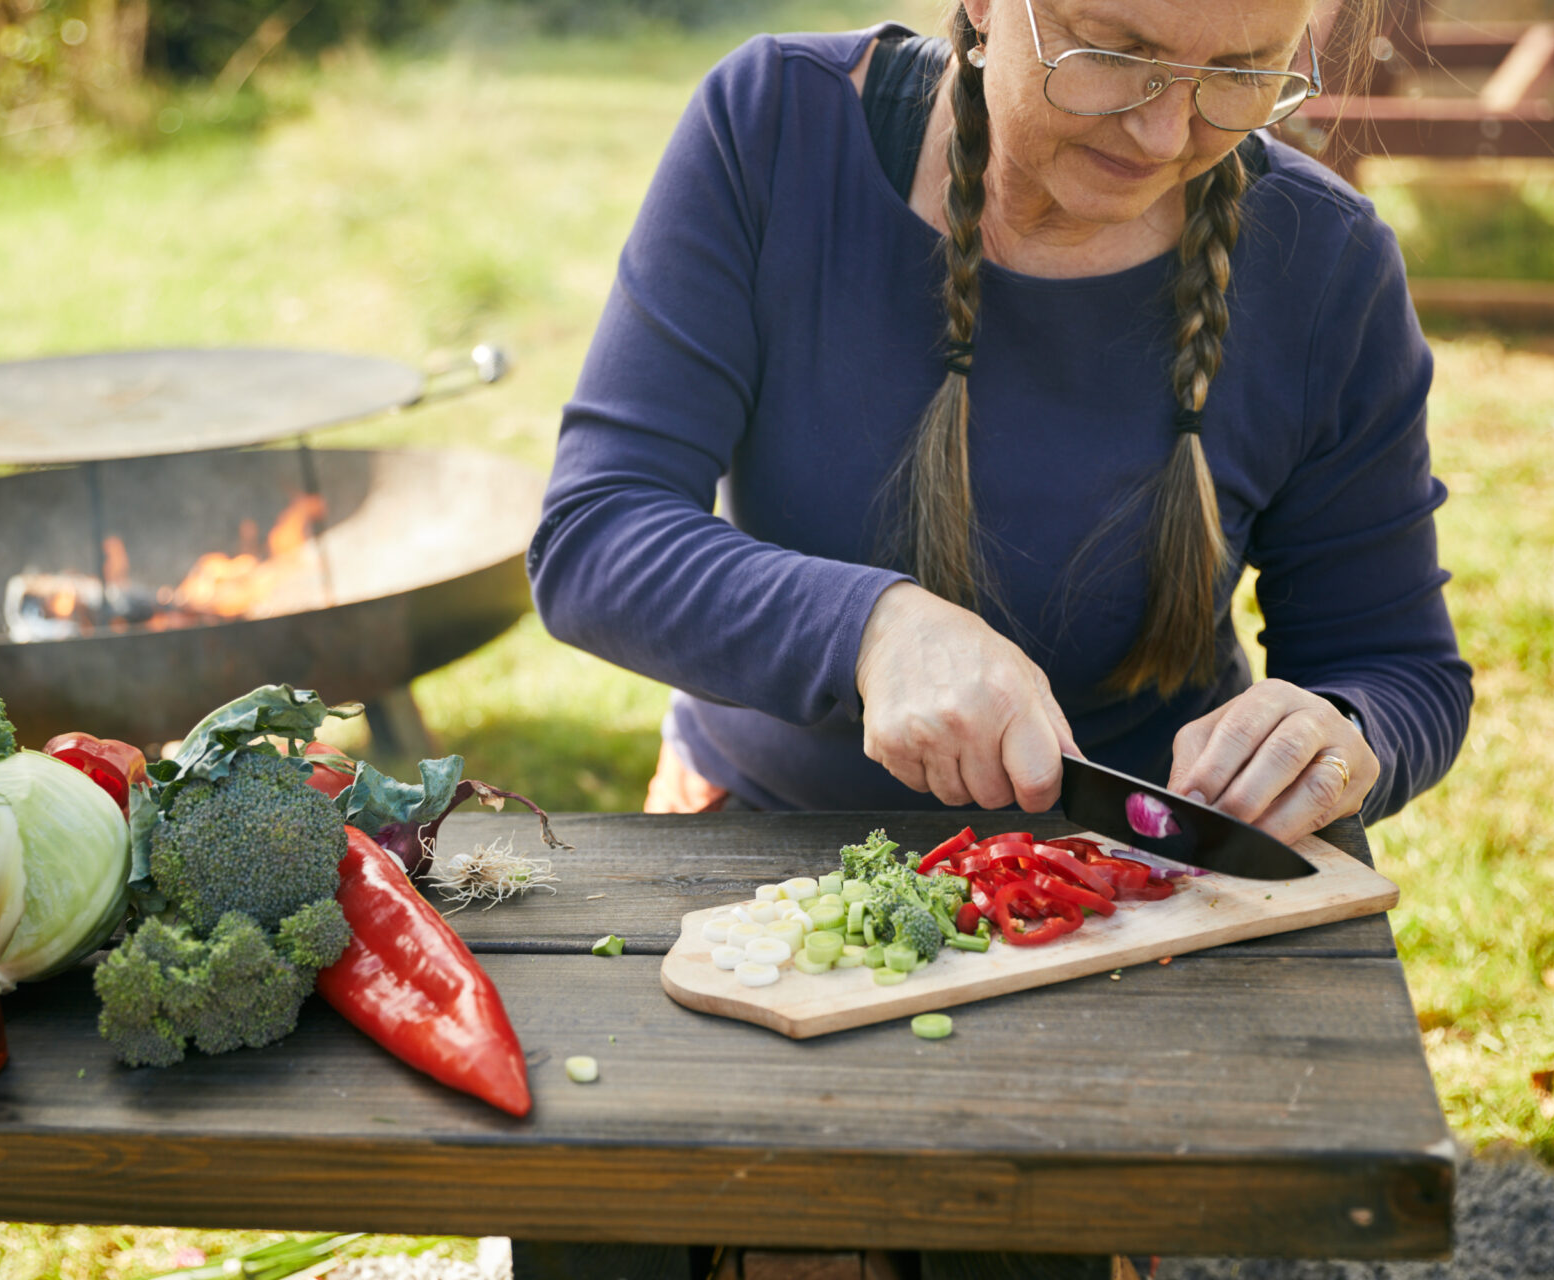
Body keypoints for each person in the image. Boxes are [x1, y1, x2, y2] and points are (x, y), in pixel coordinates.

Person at [525, 0, 1472, 1273]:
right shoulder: (775, 130)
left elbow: (1399, 666)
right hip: (754, 856)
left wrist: (1341, 733)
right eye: (1115, 52)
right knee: (611, 1233)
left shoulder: (1327, 264)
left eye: (1241, 75)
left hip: (1120, 902)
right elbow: (595, 535)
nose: (1165, 127)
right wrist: (870, 627)